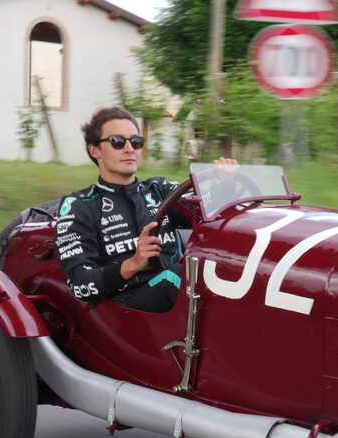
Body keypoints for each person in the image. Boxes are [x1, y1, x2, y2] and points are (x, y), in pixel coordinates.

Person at [55, 106, 234, 312]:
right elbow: (79, 284)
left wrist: (224, 184)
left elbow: (205, 213)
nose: (130, 148)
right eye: (117, 142)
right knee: (175, 278)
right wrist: (132, 264)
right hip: (125, 302)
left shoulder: (159, 190)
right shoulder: (79, 206)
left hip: (175, 291)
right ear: (95, 150)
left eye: (136, 142)